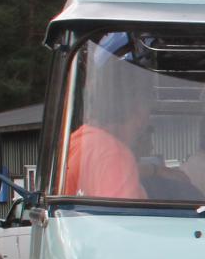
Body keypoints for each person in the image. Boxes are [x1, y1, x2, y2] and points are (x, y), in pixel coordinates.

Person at [62, 39, 151, 200]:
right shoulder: (115, 155)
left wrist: (153, 171)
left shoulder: (75, 143)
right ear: (139, 110)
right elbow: (120, 215)